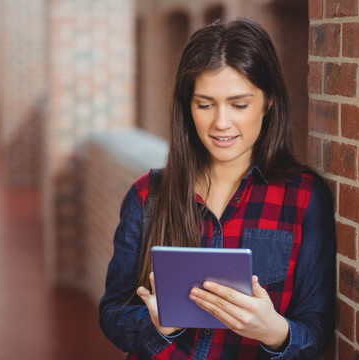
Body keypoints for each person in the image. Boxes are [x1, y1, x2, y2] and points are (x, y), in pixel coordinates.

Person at [99, 17, 336, 360]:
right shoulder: (146, 195)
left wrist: (275, 332)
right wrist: (157, 326)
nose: (221, 123)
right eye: (205, 104)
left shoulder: (303, 198)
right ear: (187, 105)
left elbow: (316, 330)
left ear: (268, 102)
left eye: (239, 104)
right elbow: (112, 313)